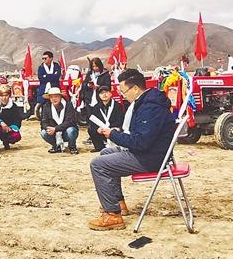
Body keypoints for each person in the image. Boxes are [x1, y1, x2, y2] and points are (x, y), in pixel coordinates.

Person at [88, 69, 176, 231]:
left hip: (150, 158)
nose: (122, 95)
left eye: (123, 91)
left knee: (98, 165)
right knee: (106, 153)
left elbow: (140, 142)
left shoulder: (150, 108)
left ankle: (112, 214)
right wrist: (116, 134)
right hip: (150, 152)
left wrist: (113, 134)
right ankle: (118, 202)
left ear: (135, 89)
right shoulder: (146, 102)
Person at [39, 87, 79, 154]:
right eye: (51, 97)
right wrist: (48, 128)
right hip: (53, 132)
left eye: (56, 96)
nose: (54, 99)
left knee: (71, 130)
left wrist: (56, 129)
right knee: (43, 133)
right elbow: (44, 121)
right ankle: (56, 146)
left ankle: (72, 147)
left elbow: (69, 121)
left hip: (66, 130)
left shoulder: (68, 105)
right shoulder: (46, 106)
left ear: (60, 97)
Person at [87, 85, 125, 152]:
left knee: (118, 130)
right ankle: (99, 147)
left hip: (113, 128)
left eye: (106, 92)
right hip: (102, 129)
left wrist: (112, 127)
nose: (104, 94)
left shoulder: (117, 106)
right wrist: (98, 129)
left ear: (110, 94)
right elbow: (92, 121)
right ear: (99, 95)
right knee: (91, 129)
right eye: (101, 93)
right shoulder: (96, 107)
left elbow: (120, 120)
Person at [0, 84, 24, 151]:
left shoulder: (13, 106)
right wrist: (0, 122)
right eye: (2, 96)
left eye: (6, 95)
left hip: (9, 128)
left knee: (16, 136)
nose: (4, 98)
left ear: (9, 96)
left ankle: (6, 142)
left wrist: (11, 128)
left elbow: (17, 119)